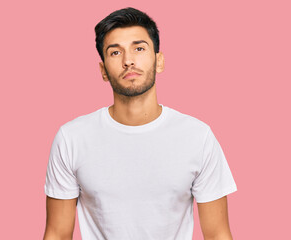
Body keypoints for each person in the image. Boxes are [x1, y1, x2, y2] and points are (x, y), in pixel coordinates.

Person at [43, 7, 237, 240]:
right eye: (115, 53)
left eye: (139, 48)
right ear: (103, 70)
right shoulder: (72, 138)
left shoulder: (197, 136)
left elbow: (218, 234)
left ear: (159, 61)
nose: (128, 61)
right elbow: (57, 233)